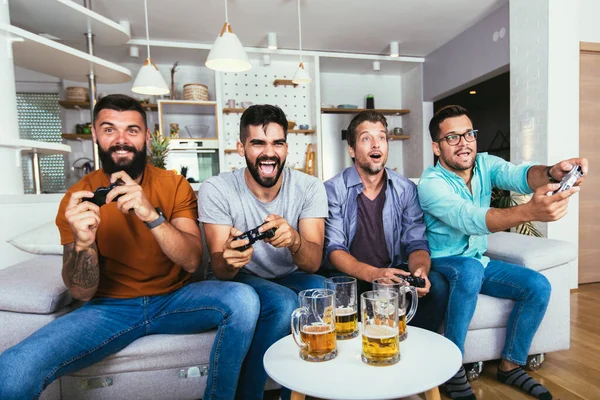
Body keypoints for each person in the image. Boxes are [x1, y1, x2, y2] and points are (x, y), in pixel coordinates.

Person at [0, 94, 259, 400]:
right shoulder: (77, 198)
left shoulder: (173, 185)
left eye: (132, 130)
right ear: (96, 134)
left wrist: (152, 216)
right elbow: (82, 291)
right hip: (109, 308)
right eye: (109, 129)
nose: (121, 140)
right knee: (11, 370)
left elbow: (192, 261)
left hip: (174, 300)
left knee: (243, 298)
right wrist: (84, 243)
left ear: (146, 136)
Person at [418, 105, 588, 400]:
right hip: (442, 262)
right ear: (436, 146)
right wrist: (530, 211)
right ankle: (451, 367)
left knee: (536, 285)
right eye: (453, 138)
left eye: (469, 134)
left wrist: (550, 172)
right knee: (469, 270)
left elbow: (520, 175)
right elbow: (470, 218)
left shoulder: (486, 164)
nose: (464, 143)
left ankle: (510, 365)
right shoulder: (431, 184)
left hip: (477, 261)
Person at [199, 104, 328, 400]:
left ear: (286, 147)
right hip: (241, 277)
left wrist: (294, 240)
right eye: (258, 143)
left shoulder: (309, 187)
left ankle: (294, 395)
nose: (269, 153)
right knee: (283, 303)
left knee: (323, 291)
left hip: (288, 275)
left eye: (277, 143)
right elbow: (220, 269)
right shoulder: (216, 188)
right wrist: (231, 257)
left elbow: (313, 262)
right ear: (241, 147)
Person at [322, 110, 449, 332]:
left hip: (392, 272)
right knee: (341, 289)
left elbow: (416, 243)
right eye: (366, 138)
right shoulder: (332, 190)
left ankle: (409, 348)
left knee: (437, 286)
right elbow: (334, 249)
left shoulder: (406, 189)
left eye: (381, 137)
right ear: (351, 149)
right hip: (352, 275)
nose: (376, 145)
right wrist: (374, 274)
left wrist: (420, 271)